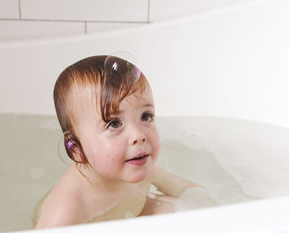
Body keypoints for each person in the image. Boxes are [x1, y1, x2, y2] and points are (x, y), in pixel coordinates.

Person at [34, 55, 200, 229]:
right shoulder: (69, 206)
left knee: (173, 208)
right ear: (76, 149)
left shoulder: (139, 164)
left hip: (128, 217)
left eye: (146, 116)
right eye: (114, 124)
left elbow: (189, 192)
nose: (138, 135)